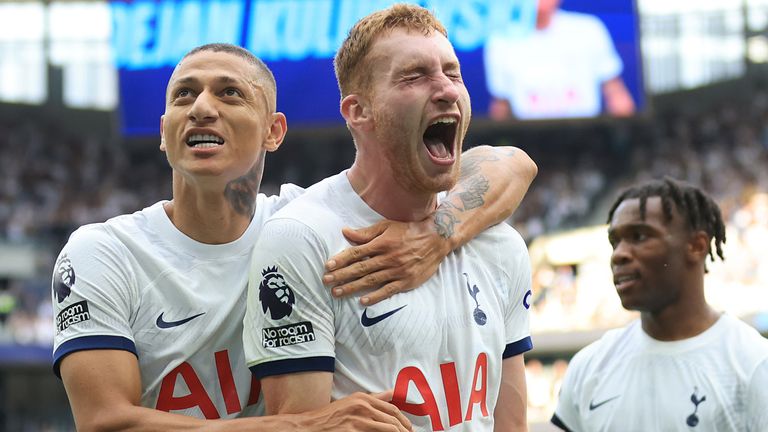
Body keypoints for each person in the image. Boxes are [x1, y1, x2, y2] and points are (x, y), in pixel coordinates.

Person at [51, 42, 537, 430]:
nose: (201, 108)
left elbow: (511, 164)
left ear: (274, 131)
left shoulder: (301, 227)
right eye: (184, 95)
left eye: (229, 93)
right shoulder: (103, 252)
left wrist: (436, 235)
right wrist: (295, 426)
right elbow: (104, 422)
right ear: (163, 131)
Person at [243, 5, 533, 431]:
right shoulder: (303, 238)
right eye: (414, 76)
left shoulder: (499, 244)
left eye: (453, 74)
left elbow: (509, 422)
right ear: (358, 111)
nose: (447, 90)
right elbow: (299, 424)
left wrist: (435, 236)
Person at [551, 177, 768, 432]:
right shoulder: (590, 366)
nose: (619, 254)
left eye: (639, 236)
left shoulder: (753, 364)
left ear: (697, 246)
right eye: (615, 241)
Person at [484, 0, 635, 120]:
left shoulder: (589, 29)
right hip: (529, 142)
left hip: (587, 135)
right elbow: (501, 105)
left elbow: (615, 92)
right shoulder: (500, 40)